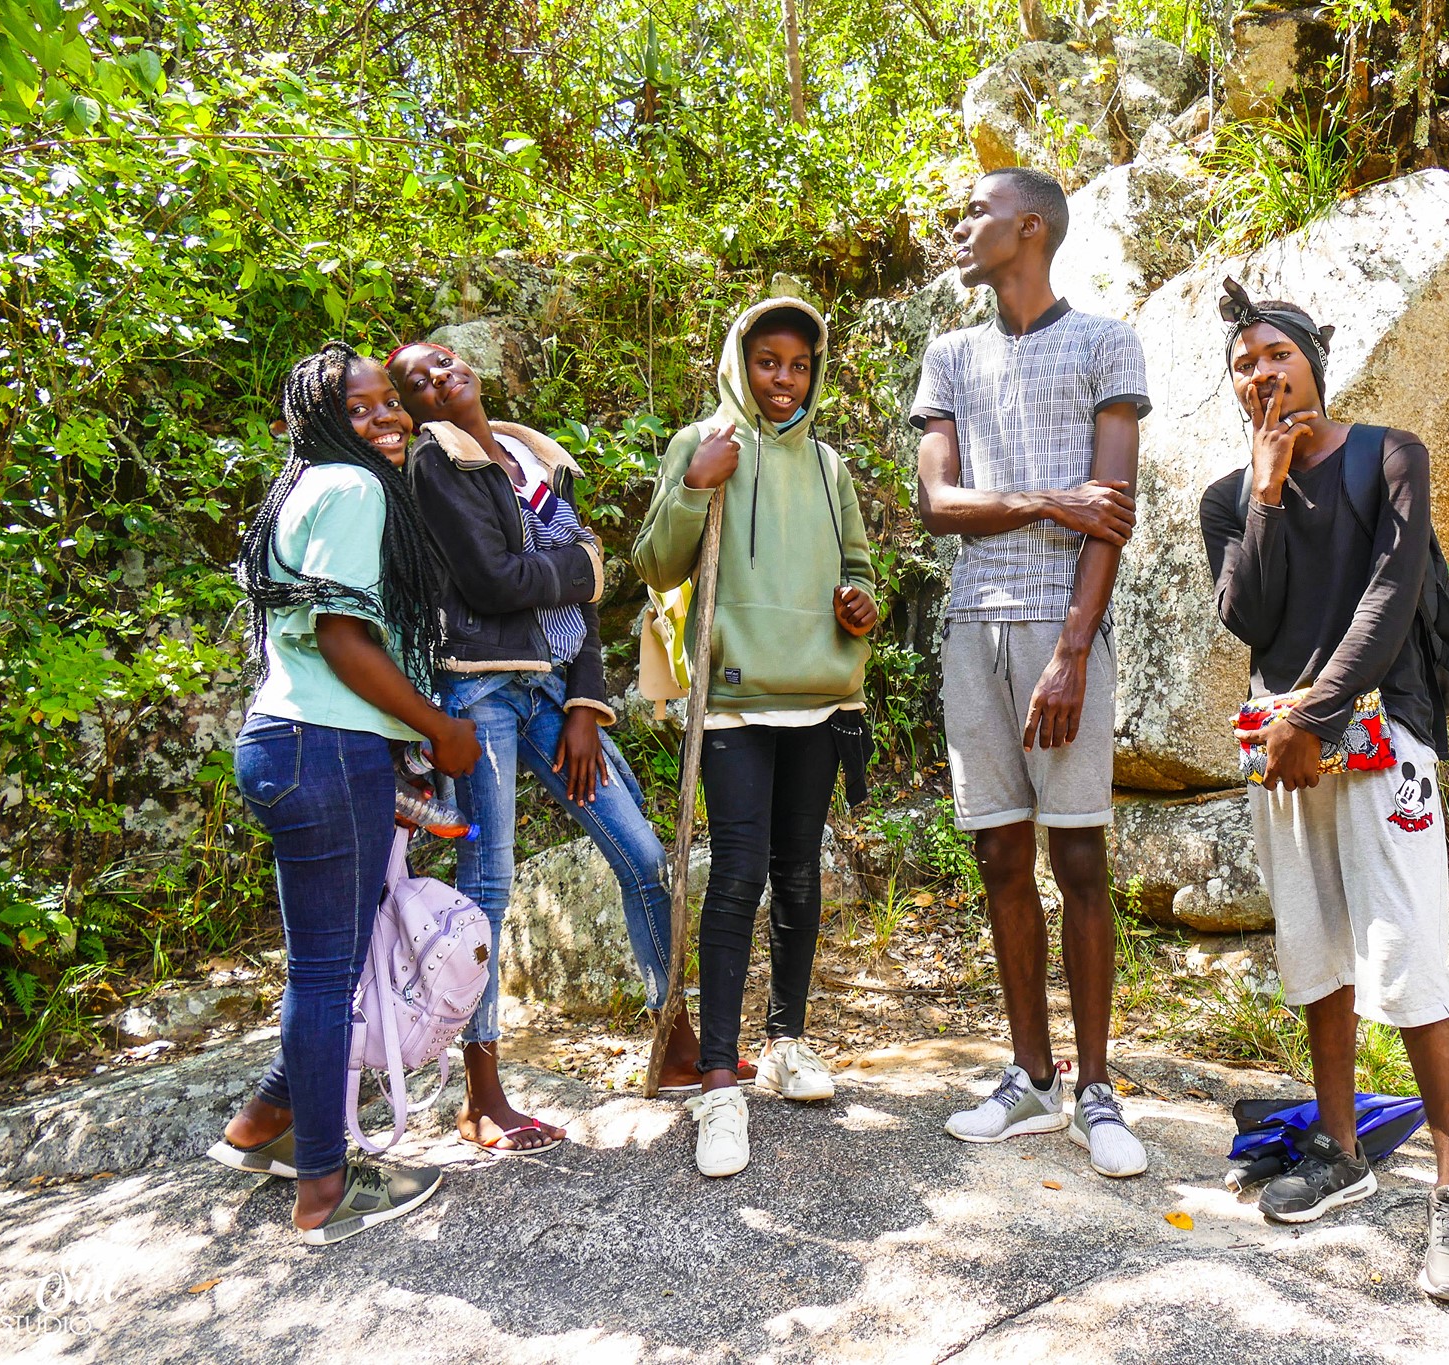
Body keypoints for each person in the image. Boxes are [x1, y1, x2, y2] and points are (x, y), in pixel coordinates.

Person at [1197, 282, 1449, 1302]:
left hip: (1374, 731)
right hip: (1283, 746)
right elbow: (1249, 616)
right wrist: (1266, 493)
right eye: (1244, 363)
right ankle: (1339, 1147)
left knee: (1407, 949)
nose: (1261, 373)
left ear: (1313, 361)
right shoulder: (1227, 498)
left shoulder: (1389, 455)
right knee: (1315, 944)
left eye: (1276, 354)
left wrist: (1311, 717)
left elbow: (1390, 595)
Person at [390, 341, 715, 1153]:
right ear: (414, 406)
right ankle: (482, 1095)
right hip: (479, 690)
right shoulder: (435, 463)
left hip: (553, 691)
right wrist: (582, 566)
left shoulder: (534, 456)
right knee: (489, 882)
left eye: (442, 362)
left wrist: (585, 703)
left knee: (643, 853)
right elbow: (494, 581)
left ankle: (675, 1040)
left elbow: (577, 602)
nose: (439, 379)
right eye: (418, 382)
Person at [207, 342, 481, 1244]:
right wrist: (437, 729)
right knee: (326, 973)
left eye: (387, 403)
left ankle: (264, 1124)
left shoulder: (306, 484)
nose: (386, 419)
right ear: (321, 421)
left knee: (332, 956)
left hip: (286, 744)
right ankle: (324, 1187)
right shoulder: (355, 488)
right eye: (359, 409)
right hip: (325, 749)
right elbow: (342, 638)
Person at [912, 167, 1150, 1178]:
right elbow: (937, 506)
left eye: (977, 213)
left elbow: (1113, 513)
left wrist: (1072, 650)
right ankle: (1031, 1077)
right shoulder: (951, 355)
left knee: (1079, 857)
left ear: (1031, 228)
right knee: (1000, 856)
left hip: (1063, 629)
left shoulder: (1104, 342)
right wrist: (1053, 498)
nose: (960, 227)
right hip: (973, 624)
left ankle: (1097, 1090)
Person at [634, 297, 878, 1178]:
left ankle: (786, 1041)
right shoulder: (702, 441)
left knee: (799, 872)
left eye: (799, 365)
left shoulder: (829, 466)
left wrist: (861, 603)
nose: (785, 380)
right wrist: (697, 483)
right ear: (741, 361)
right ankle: (717, 1081)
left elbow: (859, 569)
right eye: (768, 361)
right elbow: (655, 563)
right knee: (738, 875)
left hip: (819, 697)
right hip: (734, 700)